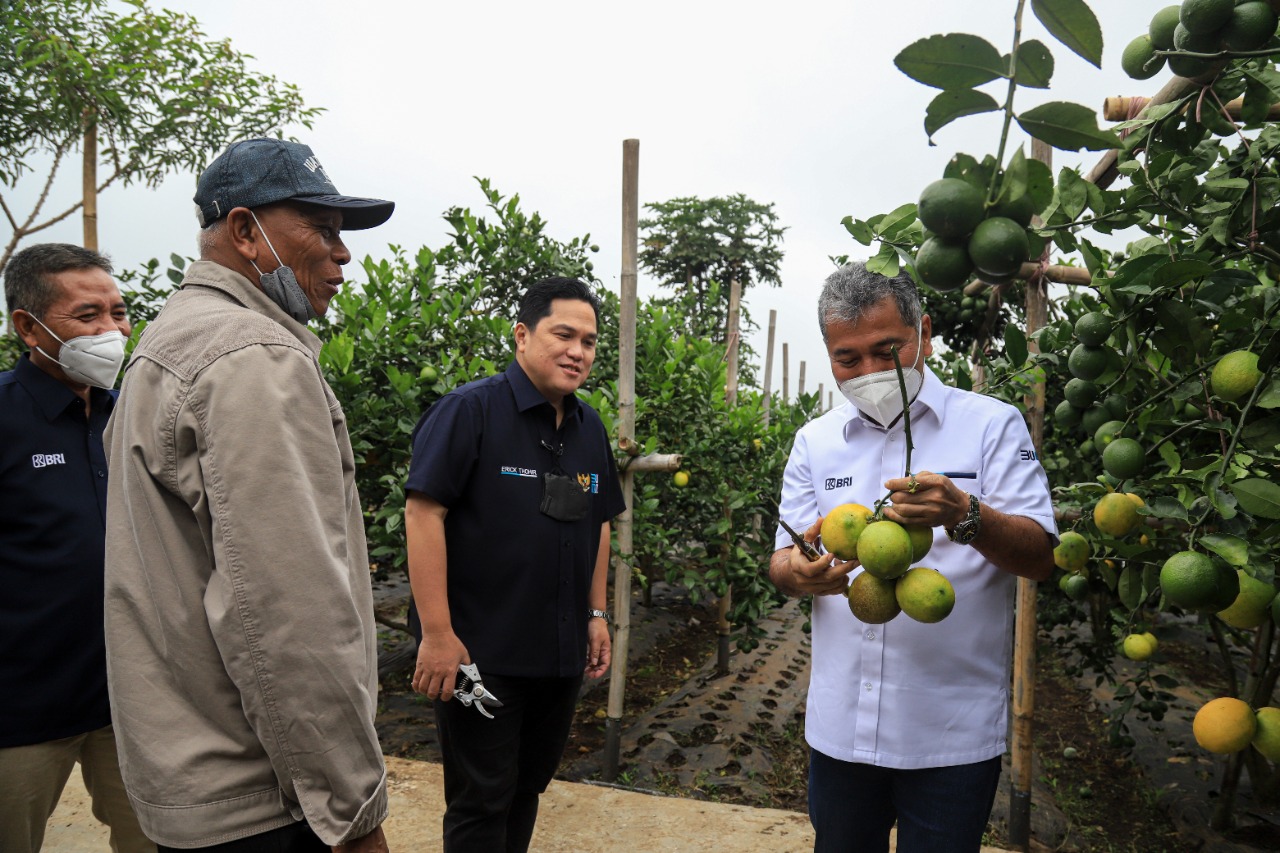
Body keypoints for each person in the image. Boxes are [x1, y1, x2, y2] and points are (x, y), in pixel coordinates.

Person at [103, 139, 396, 853]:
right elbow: (288, 615)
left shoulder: (166, 341)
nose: (342, 254)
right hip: (261, 798)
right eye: (321, 230)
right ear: (244, 231)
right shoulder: (252, 356)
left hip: (193, 775)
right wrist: (352, 811)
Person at [769, 262, 1056, 853]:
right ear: (829, 357)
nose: (870, 371)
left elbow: (1040, 556)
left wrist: (963, 515)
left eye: (887, 349)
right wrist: (800, 574)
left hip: (950, 731)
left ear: (924, 332)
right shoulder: (815, 441)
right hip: (841, 727)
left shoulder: (991, 427)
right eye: (849, 359)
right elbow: (781, 562)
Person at [404, 276, 625, 852]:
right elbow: (423, 513)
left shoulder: (589, 427)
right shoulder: (469, 412)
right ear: (522, 335)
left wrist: (595, 613)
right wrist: (437, 634)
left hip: (556, 653)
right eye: (564, 335)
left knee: (527, 788)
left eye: (590, 341)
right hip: (482, 655)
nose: (578, 351)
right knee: (482, 800)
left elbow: (598, 522)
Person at [0, 244, 154, 853]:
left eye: (118, 312)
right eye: (87, 316)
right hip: (18, 708)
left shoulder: (129, 417)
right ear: (27, 326)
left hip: (129, 699)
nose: (112, 330)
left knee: (157, 840)